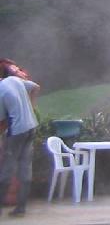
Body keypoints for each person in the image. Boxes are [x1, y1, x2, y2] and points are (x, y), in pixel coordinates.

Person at [0, 62, 40, 217]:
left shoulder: (1, 91)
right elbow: (34, 86)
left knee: (7, 168)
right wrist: (31, 106)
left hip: (17, 131)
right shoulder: (16, 80)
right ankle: (21, 208)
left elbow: (2, 121)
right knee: (25, 167)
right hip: (31, 127)